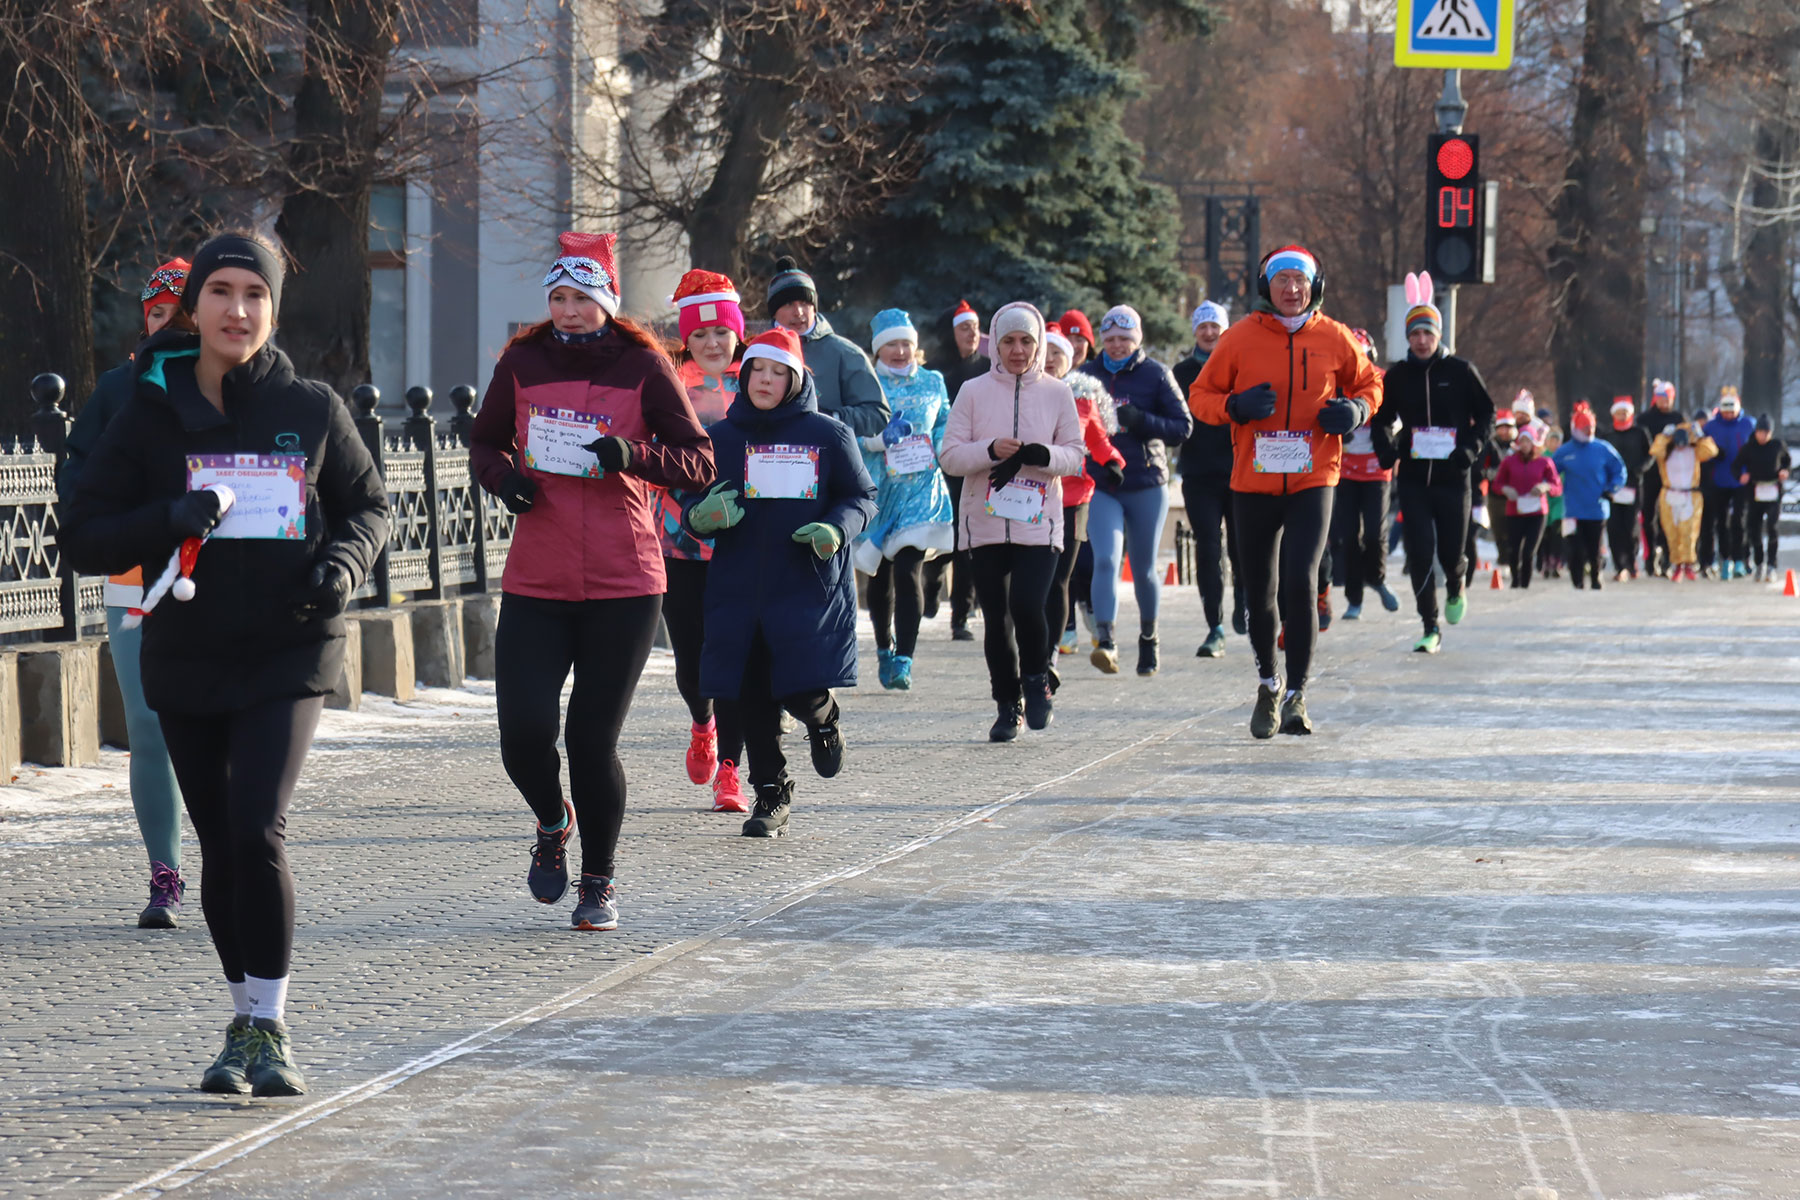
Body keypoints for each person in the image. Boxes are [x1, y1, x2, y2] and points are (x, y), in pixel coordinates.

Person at [65, 231, 391, 1096]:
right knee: (220, 844)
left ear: (273, 309)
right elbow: (83, 536)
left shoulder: (314, 406)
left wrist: (339, 569)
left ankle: (271, 1025)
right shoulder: (146, 409)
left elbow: (371, 508)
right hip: (188, 647)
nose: (237, 310)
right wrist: (177, 512)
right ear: (194, 305)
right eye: (221, 292)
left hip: (289, 646)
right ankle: (242, 1017)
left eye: (255, 293)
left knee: (256, 826)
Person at [470, 232, 715, 933]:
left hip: (625, 580)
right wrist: (506, 482)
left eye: (582, 297)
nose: (569, 310)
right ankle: (553, 821)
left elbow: (697, 461)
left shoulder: (643, 365)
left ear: (606, 301)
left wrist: (630, 454)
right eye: (558, 298)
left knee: (589, 740)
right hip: (537, 577)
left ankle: (599, 882)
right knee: (522, 735)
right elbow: (486, 441)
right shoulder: (521, 360)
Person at [683, 327, 876, 837]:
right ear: (743, 375)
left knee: (798, 686)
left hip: (807, 583)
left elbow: (863, 498)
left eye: (777, 372)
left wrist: (836, 528)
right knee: (752, 691)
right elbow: (691, 501)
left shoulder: (828, 434)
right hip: (739, 584)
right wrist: (701, 517)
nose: (765, 380)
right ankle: (771, 792)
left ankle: (824, 717)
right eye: (756, 370)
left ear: (795, 379)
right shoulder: (721, 438)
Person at [1189, 244, 1383, 738]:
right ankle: (1268, 682)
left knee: (1301, 579)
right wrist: (1235, 406)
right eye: (1281, 281)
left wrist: (1356, 412)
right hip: (1252, 480)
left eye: (1300, 281)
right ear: (1265, 288)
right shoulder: (1239, 339)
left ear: (1314, 286)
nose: (1291, 289)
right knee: (1260, 590)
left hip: (1314, 475)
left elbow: (1371, 385)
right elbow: (1200, 397)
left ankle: (1297, 693)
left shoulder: (1336, 337)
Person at [58, 257, 193, 929]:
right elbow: (78, 475)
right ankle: (164, 874)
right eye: (158, 315)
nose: (169, 327)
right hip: (134, 582)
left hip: (215, 580)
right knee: (147, 726)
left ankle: (237, 855)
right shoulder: (117, 391)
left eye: (182, 314)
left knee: (218, 727)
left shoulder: (233, 388)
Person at [938, 302, 1085, 741]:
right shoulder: (973, 391)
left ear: (1038, 345)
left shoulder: (1057, 393)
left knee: (1026, 604)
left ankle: (1037, 678)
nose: (1018, 350)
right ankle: (1007, 703)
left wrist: (1044, 456)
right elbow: (949, 455)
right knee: (997, 617)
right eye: (1009, 341)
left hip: (1039, 523)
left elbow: (1075, 456)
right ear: (995, 345)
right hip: (983, 524)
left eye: (1026, 342)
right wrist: (989, 449)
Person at [660, 269, 749, 813]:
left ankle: (732, 772)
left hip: (745, 545)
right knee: (694, 660)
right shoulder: (670, 384)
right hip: (681, 540)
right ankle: (702, 723)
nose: (713, 343)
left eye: (722, 333)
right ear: (687, 339)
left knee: (737, 655)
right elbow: (653, 452)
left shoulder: (759, 379)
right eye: (701, 335)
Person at [1373, 274, 1494, 653]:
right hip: (1413, 479)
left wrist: (1469, 451)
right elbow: (1381, 418)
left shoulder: (1460, 371)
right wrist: (1387, 450)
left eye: (1427, 333)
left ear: (1438, 334)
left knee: (1451, 554)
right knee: (1420, 552)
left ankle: (1457, 584)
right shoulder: (1398, 376)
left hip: (1454, 477)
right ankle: (1430, 625)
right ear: (1407, 338)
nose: (1421, 341)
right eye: (1415, 334)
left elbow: (1487, 415)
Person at [1080, 304, 1193, 677]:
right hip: (1102, 482)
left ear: (1137, 340)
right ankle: (1106, 641)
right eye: (1109, 339)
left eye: (1124, 339)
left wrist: (1144, 421)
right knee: (1106, 560)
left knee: (1143, 568)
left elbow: (1183, 426)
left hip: (1145, 481)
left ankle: (1148, 639)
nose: (1116, 346)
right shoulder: (1085, 375)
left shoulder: (1156, 375)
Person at [854, 309, 954, 690]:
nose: (900, 351)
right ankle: (883, 646)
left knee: (908, 568)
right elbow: (850, 433)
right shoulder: (866, 383)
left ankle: (904, 659)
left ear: (916, 346)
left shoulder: (933, 381)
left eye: (906, 344)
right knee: (879, 576)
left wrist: (944, 448)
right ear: (879, 349)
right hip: (881, 486)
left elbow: (944, 420)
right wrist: (879, 441)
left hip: (920, 489)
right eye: (891, 344)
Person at [1043, 320, 1124, 682]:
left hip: (1074, 496)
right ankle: (1034, 648)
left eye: (1056, 353)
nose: (1048, 360)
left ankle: (1049, 659)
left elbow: (1098, 437)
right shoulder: (1021, 394)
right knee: (1037, 580)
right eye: (1042, 353)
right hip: (1031, 497)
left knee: (1061, 577)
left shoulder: (1083, 395)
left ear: (1069, 359)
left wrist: (1112, 462)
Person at [1174, 301, 1247, 655]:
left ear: (1225, 330)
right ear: (1195, 332)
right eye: (1202, 327)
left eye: (1214, 327)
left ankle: (1243, 600)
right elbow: (1174, 417)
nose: (1208, 333)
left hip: (1239, 469)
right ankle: (1213, 625)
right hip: (1198, 472)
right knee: (1207, 546)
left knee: (1240, 546)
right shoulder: (1181, 371)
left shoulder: (1241, 366)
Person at [765, 256, 889, 438]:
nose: (798, 312)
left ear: (814, 308)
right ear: (774, 311)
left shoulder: (846, 353)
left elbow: (877, 414)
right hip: (769, 459)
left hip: (829, 458)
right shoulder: (756, 353)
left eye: (805, 303)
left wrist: (832, 418)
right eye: (789, 304)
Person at [923, 300, 989, 637]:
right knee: (948, 535)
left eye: (976, 328)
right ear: (952, 333)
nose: (972, 334)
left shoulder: (991, 369)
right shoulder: (936, 372)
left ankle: (961, 615)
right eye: (965, 328)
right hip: (943, 462)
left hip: (978, 463)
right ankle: (933, 578)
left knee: (970, 540)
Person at [1333, 327, 1400, 623]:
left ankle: (1377, 577)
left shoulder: (1383, 380)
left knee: (1374, 532)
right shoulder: (1335, 382)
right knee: (1348, 535)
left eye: (1363, 358)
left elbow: (1398, 417)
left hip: (1376, 469)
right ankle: (1354, 599)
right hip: (1344, 469)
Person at [1551, 402, 1628, 590]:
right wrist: (1550, 485)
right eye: (1585, 428)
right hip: (1572, 510)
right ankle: (1577, 581)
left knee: (1594, 549)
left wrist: (1612, 488)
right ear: (1576, 428)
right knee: (1574, 548)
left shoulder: (1603, 449)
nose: (1588, 431)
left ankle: (1595, 577)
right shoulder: (1565, 451)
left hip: (1596, 508)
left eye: (1591, 428)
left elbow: (1619, 470)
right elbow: (1550, 471)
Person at [1649, 410, 1719, 582]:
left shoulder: (1695, 452)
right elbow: (1655, 451)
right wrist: (1664, 436)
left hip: (1690, 495)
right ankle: (1676, 564)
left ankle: (1688, 564)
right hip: (1670, 493)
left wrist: (1700, 436)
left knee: (1689, 531)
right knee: (1672, 532)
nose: (1681, 447)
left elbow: (1712, 451)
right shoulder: (1666, 452)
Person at [1494, 424, 1561, 588]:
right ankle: (1515, 581)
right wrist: (1505, 489)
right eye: (1522, 441)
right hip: (1515, 511)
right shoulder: (1509, 462)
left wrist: (1545, 487)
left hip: (1537, 512)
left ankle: (1525, 583)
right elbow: (1496, 483)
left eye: (1528, 441)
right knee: (1514, 549)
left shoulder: (1544, 461)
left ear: (1534, 443)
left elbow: (1557, 486)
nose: (1524, 445)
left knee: (1529, 550)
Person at [1701, 387, 1756, 579]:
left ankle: (1741, 559)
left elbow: (1756, 449)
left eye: (1732, 411)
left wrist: (1750, 471)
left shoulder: (1748, 424)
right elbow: (1702, 448)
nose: (1729, 415)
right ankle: (1726, 559)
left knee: (1739, 521)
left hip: (1741, 480)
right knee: (1721, 523)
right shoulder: (1711, 426)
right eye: (1725, 411)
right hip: (1719, 480)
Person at [1598, 396, 1652, 580]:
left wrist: (1640, 470)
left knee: (1631, 526)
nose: (1622, 416)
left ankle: (1631, 562)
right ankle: (1619, 566)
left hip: (1633, 486)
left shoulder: (1640, 433)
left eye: (1625, 413)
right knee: (1613, 527)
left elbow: (1650, 455)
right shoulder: (1607, 436)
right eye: (1619, 413)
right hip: (1612, 487)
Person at [1733, 415, 1790, 581]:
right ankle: (1759, 563)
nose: (1763, 436)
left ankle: (1772, 564)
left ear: (1771, 433)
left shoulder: (1778, 445)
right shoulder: (1749, 447)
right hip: (1755, 492)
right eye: (1760, 432)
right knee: (1754, 529)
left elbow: (1787, 461)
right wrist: (1741, 476)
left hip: (1773, 492)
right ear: (1755, 432)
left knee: (1772, 527)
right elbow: (1735, 466)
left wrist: (1785, 471)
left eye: (1766, 432)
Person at [1640, 379, 1681, 575]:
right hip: (1649, 473)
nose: (1664, 403)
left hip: (1673, 475)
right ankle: (1650, 555)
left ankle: (1667, 555)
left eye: (1667, 399)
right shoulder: (1645, 418)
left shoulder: (1678, 417)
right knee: (1648, 516)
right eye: (1660, 399)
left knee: (1669, 516)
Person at [1477, 412, 1517, 574]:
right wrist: (1495, 473)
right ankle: (1503, 559)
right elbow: (1481, 469)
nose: (1505, 431)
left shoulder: (1519, 445)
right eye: (1501, 428)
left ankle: (1514, 560)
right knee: (1499, 531)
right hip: (1495, 496)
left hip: (1515, 496)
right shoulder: (1490, 445)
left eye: (1508, 428)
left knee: (1514, 530)